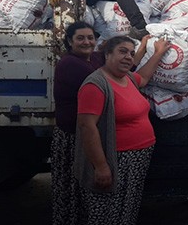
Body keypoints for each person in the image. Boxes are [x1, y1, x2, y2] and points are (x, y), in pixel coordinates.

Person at [74, 35, 170, 224]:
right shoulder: (96, 85)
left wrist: (159, 52)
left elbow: (143, 77)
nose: (128, 57)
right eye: (123, 51)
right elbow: (87, 127)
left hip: (136, 158)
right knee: (108, 210)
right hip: (116, 159)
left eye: (132, 53)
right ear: (107, 54)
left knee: (126, 207)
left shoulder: (127, 78)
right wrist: (101, 167)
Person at [51, 21, 104, 225]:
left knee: (86, 187)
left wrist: (145, 46)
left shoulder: (95, 58)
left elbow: (124, 61)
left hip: (87, 134)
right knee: (74, 186)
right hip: (75, 137)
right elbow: (107, 83)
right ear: (70, 41)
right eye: (80, 38)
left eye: (90, 38)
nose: (86, 42)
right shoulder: (69, 64)